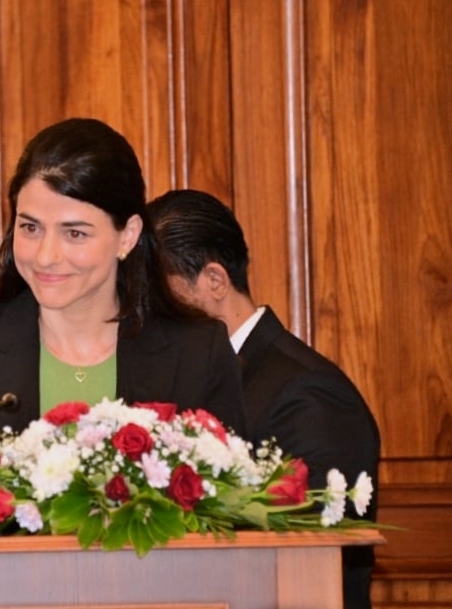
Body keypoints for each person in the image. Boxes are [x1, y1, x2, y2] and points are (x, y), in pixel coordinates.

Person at [0, 119, 244, 491]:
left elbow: (231, 505)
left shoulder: (198, 355)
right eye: (30, 228)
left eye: (74, 233)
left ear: (128, 235)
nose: (46, 256)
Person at [147, 189, 380, 609]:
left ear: (214, 281)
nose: (148, 319)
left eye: (160, 300)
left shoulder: (310, 394)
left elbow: (309, 563)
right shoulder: (188, 381)